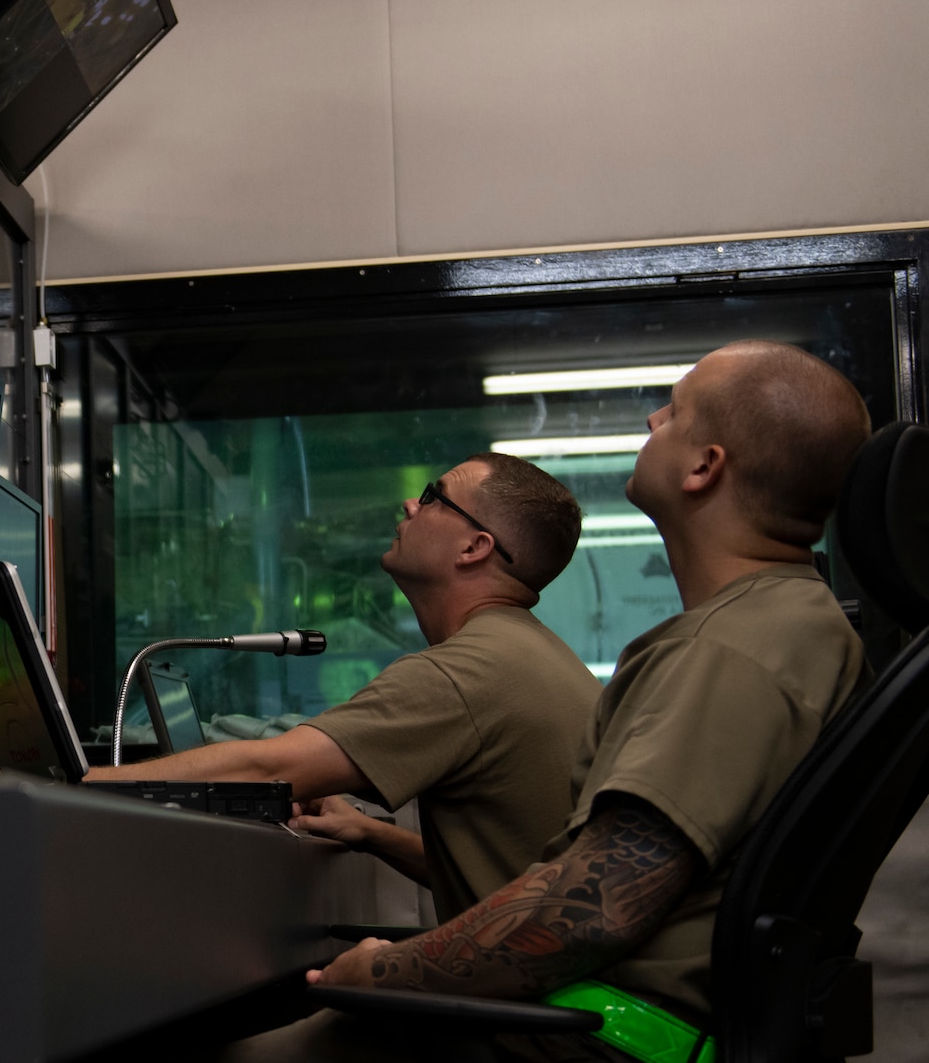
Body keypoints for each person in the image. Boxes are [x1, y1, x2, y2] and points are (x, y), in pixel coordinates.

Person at [253, 341, 872, 1063]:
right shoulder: (795, 623)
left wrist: (387, 971)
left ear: (705, 465)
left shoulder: (732, 648)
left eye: (672, 412)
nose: (652, 415)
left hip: (601, 1038)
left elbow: (596, 907)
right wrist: (383, 841)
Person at [0, 451, 602, 925]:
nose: (410, 503)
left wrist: (64, 781)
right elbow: (514, 878)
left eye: (433, 495)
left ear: (475, 547)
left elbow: (273, 766)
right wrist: (371, 834)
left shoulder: (468, 671)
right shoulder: (531, 654)